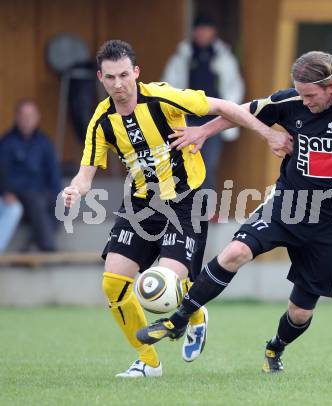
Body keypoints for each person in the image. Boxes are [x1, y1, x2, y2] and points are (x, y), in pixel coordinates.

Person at [136, 51, 332, 373]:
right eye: (300, 93)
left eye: (311, 95)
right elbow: (242, 111)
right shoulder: (292, 102)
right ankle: (177, 321)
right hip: (287, 204)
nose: (304, 101)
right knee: (235, 252)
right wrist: (204, 131)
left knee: (300, 311)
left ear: (331, 87)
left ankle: (275, 348)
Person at [62, 40, 291, 378]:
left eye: (124, 74)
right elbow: (85, 176)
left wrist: (267, 134)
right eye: (110, 77)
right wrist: (74, 190)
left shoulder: (163, 97)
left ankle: (196, 315)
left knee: (169, 280)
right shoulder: (102, 121)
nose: (119, 84)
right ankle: (148, 361)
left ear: (136, 72)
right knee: (113, 284)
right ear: (101, 78)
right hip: (142, 204)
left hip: (187, 199)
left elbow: (225, 106)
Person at [162, 15, 245, 196]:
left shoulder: (224, 57)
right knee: (181, 164)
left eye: (206, 29)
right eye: (199, 29)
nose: (202, 34)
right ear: (194, 32)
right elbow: (168, 87)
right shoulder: (183, 56)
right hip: (185, 121)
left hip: (214, 121)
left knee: (208, 165)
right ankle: (182, 206)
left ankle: (206, 208)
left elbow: (234, 87)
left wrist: (229, 114)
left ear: (213, 32)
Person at [0, 100, 61, 252]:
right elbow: (2, 171)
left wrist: (60, 194)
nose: (27, 120)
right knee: (37, 201)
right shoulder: (7, 142)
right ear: (17, 117)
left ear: (37, 117)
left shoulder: (44, 142)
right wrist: (6, 192)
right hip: (18, 193)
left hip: (41, 191)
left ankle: (34, 241)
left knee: (62, 206)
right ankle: (47, 248)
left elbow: (53, 171)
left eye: (31, 116)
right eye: (23, 116)